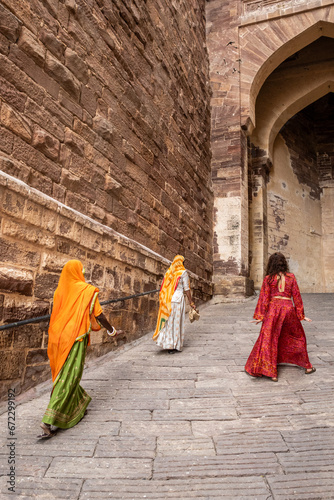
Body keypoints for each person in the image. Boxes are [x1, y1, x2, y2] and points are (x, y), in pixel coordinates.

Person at [38, 259, 117, 438]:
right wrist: (112, 331)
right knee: (69, 376)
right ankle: (48, 419)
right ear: (77, 272)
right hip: (75, 337)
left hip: (57, 337)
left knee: (61, 375)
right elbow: (99, 315)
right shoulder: (87, 291)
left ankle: (78, 406)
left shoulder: (60, 291)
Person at [245, 252, 315, 382]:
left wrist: (260, 316)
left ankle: (272, 373)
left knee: (269, 339)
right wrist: (301, 315)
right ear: (284, 263)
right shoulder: (291, 277)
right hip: (288, 308)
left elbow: (264, 299)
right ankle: (308, 367)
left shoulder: (268, 279)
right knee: (297, 337)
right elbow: (297, 296)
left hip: (273, 309)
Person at [153, 255, 197, 353]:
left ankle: (167, 343)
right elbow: (187, 289)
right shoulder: (183, 273)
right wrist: (191, 302)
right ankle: (174, 345)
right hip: (178, 300)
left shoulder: (170, 272)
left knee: (169, 323)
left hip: (168, 300)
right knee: (176, 322)